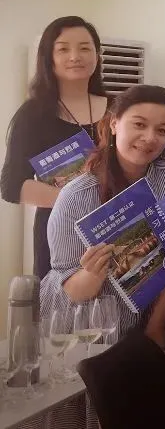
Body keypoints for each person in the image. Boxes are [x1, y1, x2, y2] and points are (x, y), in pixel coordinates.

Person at [39, 85, 165, 374]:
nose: (149, 138)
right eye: (139, 124)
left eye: (161, 130)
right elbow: (70, 288)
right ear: (114, 124)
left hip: (157, 311)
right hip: (92, 320)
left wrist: (156, 327)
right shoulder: (76, 196)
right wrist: (91, 274)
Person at [1, 16, 110, 279]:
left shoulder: (118, 107)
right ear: (48, 58)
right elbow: (11, 185)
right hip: (57, 234)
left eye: (84, 48)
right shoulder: (33, 115)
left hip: (113, 228)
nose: (75, 56)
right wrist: (76, 203)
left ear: (97, 55)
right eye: (63, 49)